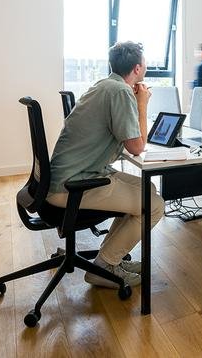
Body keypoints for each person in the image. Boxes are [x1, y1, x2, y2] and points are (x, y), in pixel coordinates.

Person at [48, 41, 165, 289]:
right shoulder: (120, 92)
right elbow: (137, 147)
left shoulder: (105, 85)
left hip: (69, 176)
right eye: (144, 63)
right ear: (136, 68)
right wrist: (142, 104)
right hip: (73, 186)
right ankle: (103, 267)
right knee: (155, 206)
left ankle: (111, 257)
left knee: (149, 191)